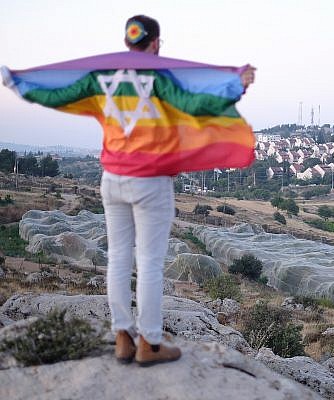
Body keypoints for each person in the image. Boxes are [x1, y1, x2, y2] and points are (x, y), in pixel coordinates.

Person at [106, 15, 255, 366]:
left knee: (117, 258)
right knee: (150, 263)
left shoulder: (107, 76)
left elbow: (58, 90)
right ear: (155, 43)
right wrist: (237, 86)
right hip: (150, 180)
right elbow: (194, 105)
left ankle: (122, 339)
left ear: (128, 43)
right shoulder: (158, 76)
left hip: (111, 178)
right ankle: (150, 344)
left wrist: (18, 81)